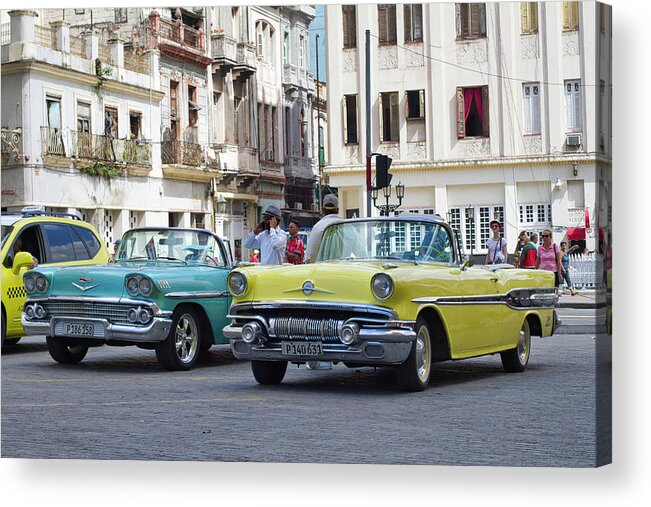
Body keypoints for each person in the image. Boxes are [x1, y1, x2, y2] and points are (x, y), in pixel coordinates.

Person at [305, 194, 341, 263]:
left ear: (323, 209)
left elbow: (310, 256)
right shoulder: (349, 228)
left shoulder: (318, 227)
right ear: (338, 209)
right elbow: (360, 252)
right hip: (345, 271)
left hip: (324, 271)